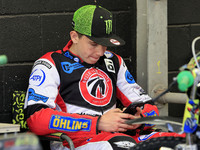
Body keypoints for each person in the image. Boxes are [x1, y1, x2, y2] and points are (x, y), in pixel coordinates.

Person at [24, 4, 185, 150]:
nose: (100, 52)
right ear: (74, 37)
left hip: (121, 137)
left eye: (104, 44)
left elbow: (149, 108)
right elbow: (36, 119)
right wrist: (97, 123)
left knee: (183, 141)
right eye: (93, 44)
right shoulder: (50, 64)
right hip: (76, 142)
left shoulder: (113, 61)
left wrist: (138, 119)